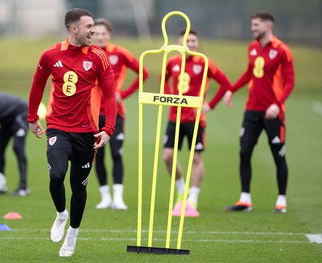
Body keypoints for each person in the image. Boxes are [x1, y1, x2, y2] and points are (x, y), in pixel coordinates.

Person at [27, 9, 117, 257]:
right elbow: (37, 84)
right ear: (73, 29)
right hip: (57, 127)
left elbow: (110, 95)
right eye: (89, 27)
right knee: (56, 176)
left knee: (79, 188)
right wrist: (32, 117)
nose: (94, 31)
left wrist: (108, 128)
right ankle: (60, 214)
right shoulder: (50, 54)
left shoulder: (99, 57)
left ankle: (73, 234)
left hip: (87, 132)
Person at [225, 11, 294, 213]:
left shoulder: (282, 50)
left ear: (268, 26)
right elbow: (249, 73)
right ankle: (245, 199)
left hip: (273, 113)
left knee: (278, 156)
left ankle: (281, 200)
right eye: (252, 24)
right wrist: (231, 90)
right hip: (252, 111)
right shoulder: (253, 48)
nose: (253, 28)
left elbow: (290, 82)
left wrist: (278, 104)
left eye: (256, 25)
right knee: (244, 152)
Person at [163, 30, 231, 217]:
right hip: (174, 117)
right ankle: (181, 190)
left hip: (195, 120)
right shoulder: (173, 62)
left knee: (196, 158)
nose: (190, 44)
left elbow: (225, 83)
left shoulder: (204, 62)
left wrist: (210, 105)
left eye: (193, 41)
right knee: (167, 157)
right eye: (186, 41)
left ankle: (193, 197)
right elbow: (164, 79)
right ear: (179, 44)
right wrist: (168, 96)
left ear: (197, 43)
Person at [92, 18, 149, 210]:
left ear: (109, 35)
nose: (100, 37)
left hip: (115, 113)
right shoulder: (87, 53)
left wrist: (123, 94)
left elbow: (144, 73)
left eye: (103, 33)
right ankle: (105, 197)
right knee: (97, 155)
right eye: (96, 33)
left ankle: (118, 197)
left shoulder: (120, 53)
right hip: (91, 114)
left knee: (117, 153)